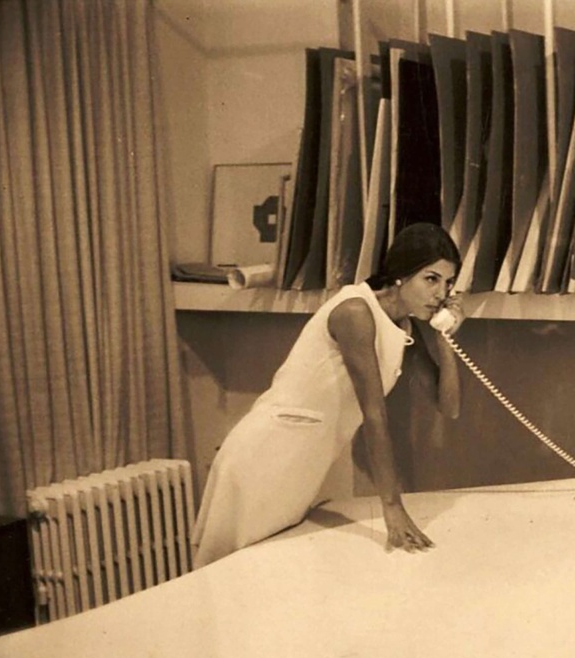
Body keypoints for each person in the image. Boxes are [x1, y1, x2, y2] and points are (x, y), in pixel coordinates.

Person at [191, 223, 464, 568]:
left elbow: (449, 407)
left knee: (272, 580)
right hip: (267, 455)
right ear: (401, 275)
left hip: (307, 464)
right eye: (431, 278)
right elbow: (374, 415)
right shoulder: (355, 312)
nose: (442, 293)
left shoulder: (403, 325)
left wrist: (445, 338)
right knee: (230, 576)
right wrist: (391, 508)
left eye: (449, 282)